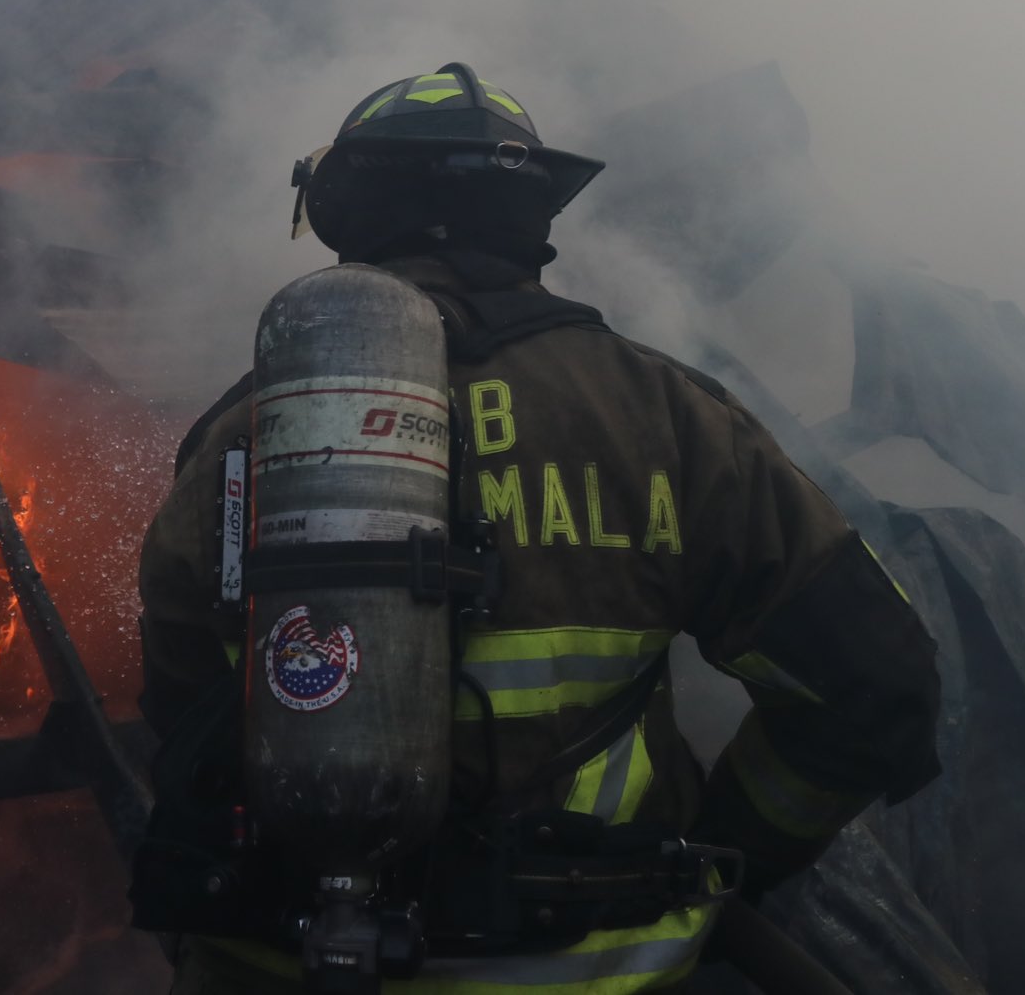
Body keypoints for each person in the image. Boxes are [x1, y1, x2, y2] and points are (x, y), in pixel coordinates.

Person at [135, 64, 941, 993]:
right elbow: (879, 684)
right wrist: (721, 857)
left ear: (347, 210)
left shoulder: (254, 429)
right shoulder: (671, 420)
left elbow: (182, 708)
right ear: (531, 217)